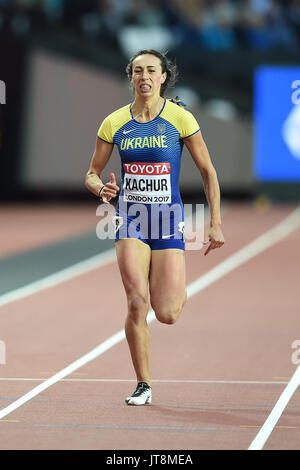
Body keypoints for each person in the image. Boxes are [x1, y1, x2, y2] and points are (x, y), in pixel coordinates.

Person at [85, 49, 225, 406]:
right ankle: (143, 384)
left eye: (150, 70)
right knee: (135, 301)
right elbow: (91, 173)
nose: (143, 76)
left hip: (167, 221)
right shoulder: (114, 123)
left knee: (167, 313)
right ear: (130, 77)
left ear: (163, 77)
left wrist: (215, 223)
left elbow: (208, 172)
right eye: (137, 71)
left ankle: (172, 286)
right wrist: (102, 189)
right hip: (130, 219)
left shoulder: (179, 118)